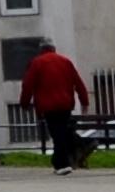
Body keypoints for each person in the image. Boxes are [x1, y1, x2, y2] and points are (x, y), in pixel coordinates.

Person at [20, 40, 89, 171]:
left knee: (57, 133)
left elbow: (27, 85)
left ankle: (62, 164)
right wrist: (84, 101)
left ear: (41, 50)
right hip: (65, 104)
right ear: (54, 49)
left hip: (48, 106)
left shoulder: (36, 63)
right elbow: (78, 83)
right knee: (62, 132)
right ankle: (62, 160)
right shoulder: (65, 61)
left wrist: (24, 103)